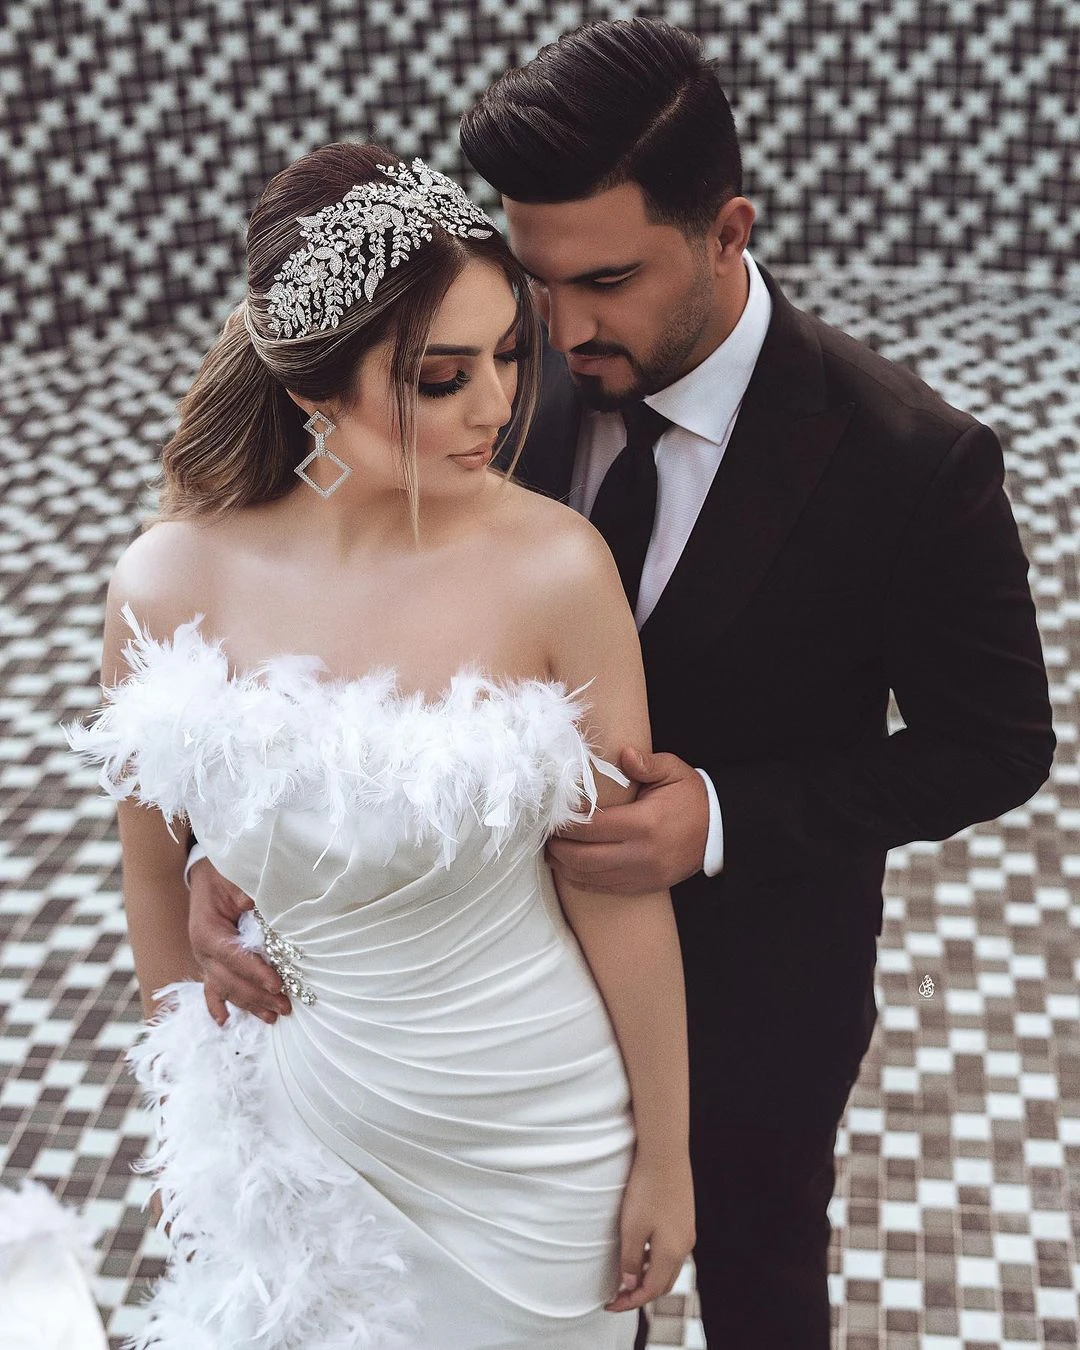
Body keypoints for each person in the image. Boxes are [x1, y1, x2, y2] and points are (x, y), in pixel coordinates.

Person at [188, 19, 1055, 1350]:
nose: (561, 327)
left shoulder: (913, 461)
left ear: (727, 232)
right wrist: (245, 849)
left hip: (753, 984)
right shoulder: (485, 384)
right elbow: (349, 625)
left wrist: (722, 816)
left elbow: (997, 746)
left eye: (606, 280)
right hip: (490, 997)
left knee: (761, 1270)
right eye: (537, 280)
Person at [67, 141, 694, 1350]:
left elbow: (616, 892)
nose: (498, 407)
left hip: (537, 1144)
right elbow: (154, 872)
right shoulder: (166, 584)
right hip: (299, 1132)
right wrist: (193, 1127)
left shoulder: (559, 570)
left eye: (508, 354)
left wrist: (665, 1156)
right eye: (443, 377)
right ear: (313, 388)